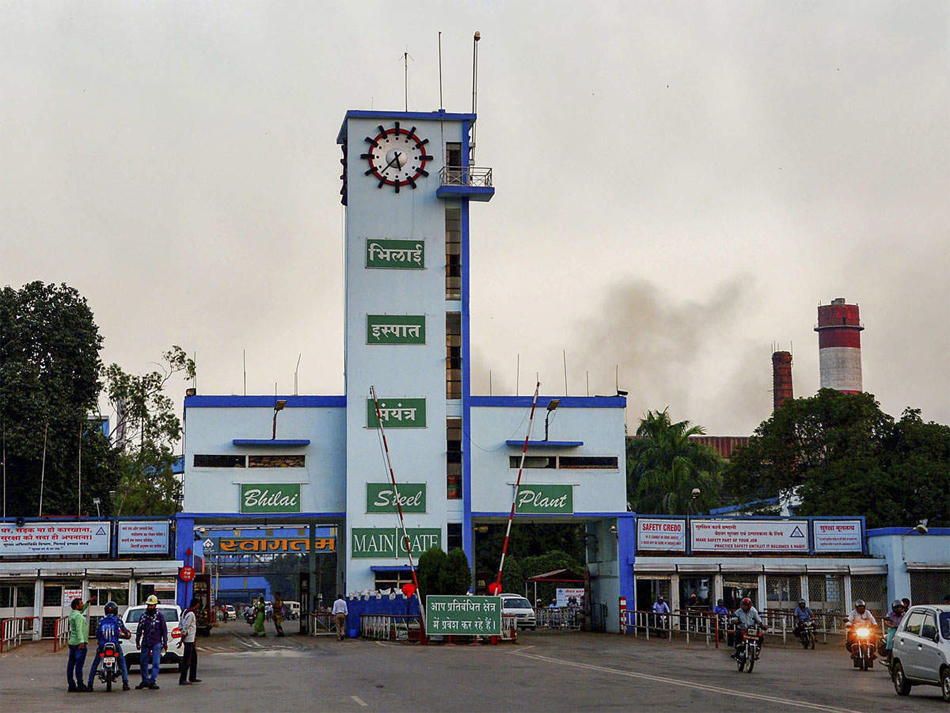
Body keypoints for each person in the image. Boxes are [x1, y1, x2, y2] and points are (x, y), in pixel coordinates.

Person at [86, 601, 131, 692]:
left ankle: (90, 684)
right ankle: (125, 683)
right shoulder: (118, 620)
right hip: (115, 645)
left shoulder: (101, 620)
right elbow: (124, 631)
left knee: (95, 664)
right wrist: (127, 634)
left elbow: (97, 633)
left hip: (102, 646)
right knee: (122, 662)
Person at [135, 595, 168, 689]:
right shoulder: (143, 617)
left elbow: (164, 630)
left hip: (156, 642)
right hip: (146, 642)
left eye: (152, 605)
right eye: (149, 605)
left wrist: (165, 643)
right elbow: (139, 629)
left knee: (156, 662)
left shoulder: (160, 617)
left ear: (155, 605)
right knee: (143, 662)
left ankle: (152, 680)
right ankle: (145, 680)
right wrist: (137, 642)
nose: (150, 607)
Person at [66, 596, 92, 692]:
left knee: (71, 664)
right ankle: (80, 684)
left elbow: (81, 611)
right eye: (81, 604)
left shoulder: (73, 614)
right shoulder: (79, 617)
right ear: (77, 606)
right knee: (79, 665)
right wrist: (81, 641)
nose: (82, 605)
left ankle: (71, 684)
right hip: (79, 643)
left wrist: (87, 603)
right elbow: (79, 629)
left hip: (72, 642)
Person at [177, 596, 202, 685]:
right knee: (186, 660)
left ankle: (192, 677)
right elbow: (185, 627)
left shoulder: (185, 611)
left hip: (191, 639)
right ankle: (183, 679)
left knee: (193, 659)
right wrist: (182, 639)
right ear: (197, 604)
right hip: (188, 639)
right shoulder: (191, 614)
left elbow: (180, 625)